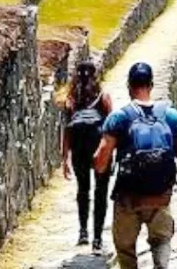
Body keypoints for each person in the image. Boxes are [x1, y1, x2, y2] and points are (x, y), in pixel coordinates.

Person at [93, 62, 177, 269]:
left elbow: (100, 160)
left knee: (125, 248)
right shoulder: (170, 116)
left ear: (129, 86)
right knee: (161, 242)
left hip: (128, 198)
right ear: (151, 85)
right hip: (160, 197)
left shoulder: (119, 118)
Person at [62, 60, 114, 253]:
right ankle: (98, 239)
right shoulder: (103, 96)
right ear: (96, 76)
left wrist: (64, 158)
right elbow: (111, 127)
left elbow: (67, 130)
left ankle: (83, 231)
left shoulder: (72, 99)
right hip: (99, 149)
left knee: (83, 189)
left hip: (78, 149)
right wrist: (112, 153)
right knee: (100, 192)